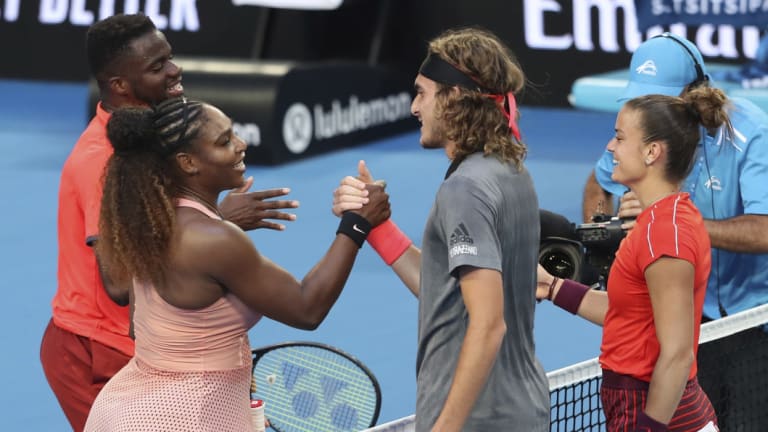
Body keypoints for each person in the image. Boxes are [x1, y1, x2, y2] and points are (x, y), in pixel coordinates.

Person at [39, 13, 299, 431]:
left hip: (155, 344)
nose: (175, 71)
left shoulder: (150, 144)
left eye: (170, 58)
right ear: (120, 85)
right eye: (157, 67)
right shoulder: (100, 164)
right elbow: (121, 282)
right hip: (96, 351)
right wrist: (215, 222)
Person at [82, 96, 390, 431]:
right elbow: (306, 307)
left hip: (124, 409)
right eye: (224, 141)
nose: (241, 145)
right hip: (183, 418)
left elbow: (142, 326)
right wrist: (356, 223)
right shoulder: (214, 239)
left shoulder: (152, 217)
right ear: (188, 162)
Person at [333, 27, 550, 431]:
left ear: (453, 98)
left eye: (422, 93)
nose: (415, 107)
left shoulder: (465, 188)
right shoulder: (510, 172)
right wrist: (376, 227)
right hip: (520, 409)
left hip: (476, 420)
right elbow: (444, 290)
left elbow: (488, 325)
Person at [582, 33, 768, 430]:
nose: (653, 106)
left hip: (753, 322)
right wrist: (607, 237)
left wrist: (668, 218)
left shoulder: (751, 131)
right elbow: (598, 185)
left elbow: (765, 231)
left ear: (696, 90)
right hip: (684, 320)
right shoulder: (647, 129)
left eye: (663, 96)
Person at [543, 86, 729, 431]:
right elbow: (628, 311)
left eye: (619, 137)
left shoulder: (665, 234)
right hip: (650, 406)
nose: (610, 147)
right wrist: (552, 287)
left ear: (651, 152)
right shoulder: (660, 221)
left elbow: (676, 355)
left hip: (656, 412)